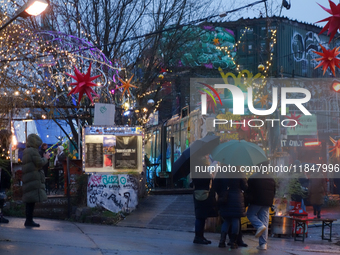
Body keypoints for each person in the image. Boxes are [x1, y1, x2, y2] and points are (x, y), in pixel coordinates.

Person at [213, 169, 247, 249]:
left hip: (225, 198)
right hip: (236, 198)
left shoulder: (221, 171)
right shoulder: (239, 172)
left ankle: (222, 241)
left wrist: (222, 192)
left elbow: (215, 185)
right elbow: (245, 187)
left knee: (227, 220)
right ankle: (233, 242)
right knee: (235, 219)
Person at [22, 134, 50, 227]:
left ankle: (28, 219)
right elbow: (39, 163)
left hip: (29, 177)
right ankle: (29, 220)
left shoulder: (26, 150)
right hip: (33, 178)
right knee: (31, 201)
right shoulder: (33, 151)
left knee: (29, 200)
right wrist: (45, 158)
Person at [246, 168, 276, 250]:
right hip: (267, 202)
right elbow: (274, 191)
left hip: (256, 201)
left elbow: (248, 190)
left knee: (250, 214)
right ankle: (263, 244)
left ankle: (259, 226)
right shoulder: (271, 178)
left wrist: (246, 201)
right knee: (265, 220)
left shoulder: (253, 177)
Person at [191, 155, 217, 245]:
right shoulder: (203, 172)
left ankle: (200, 236)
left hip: (197, 194)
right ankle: (198, 237)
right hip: (204, 195)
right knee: (201, 217)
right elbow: (207, 181)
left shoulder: (195, 171)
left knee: (200, 217)